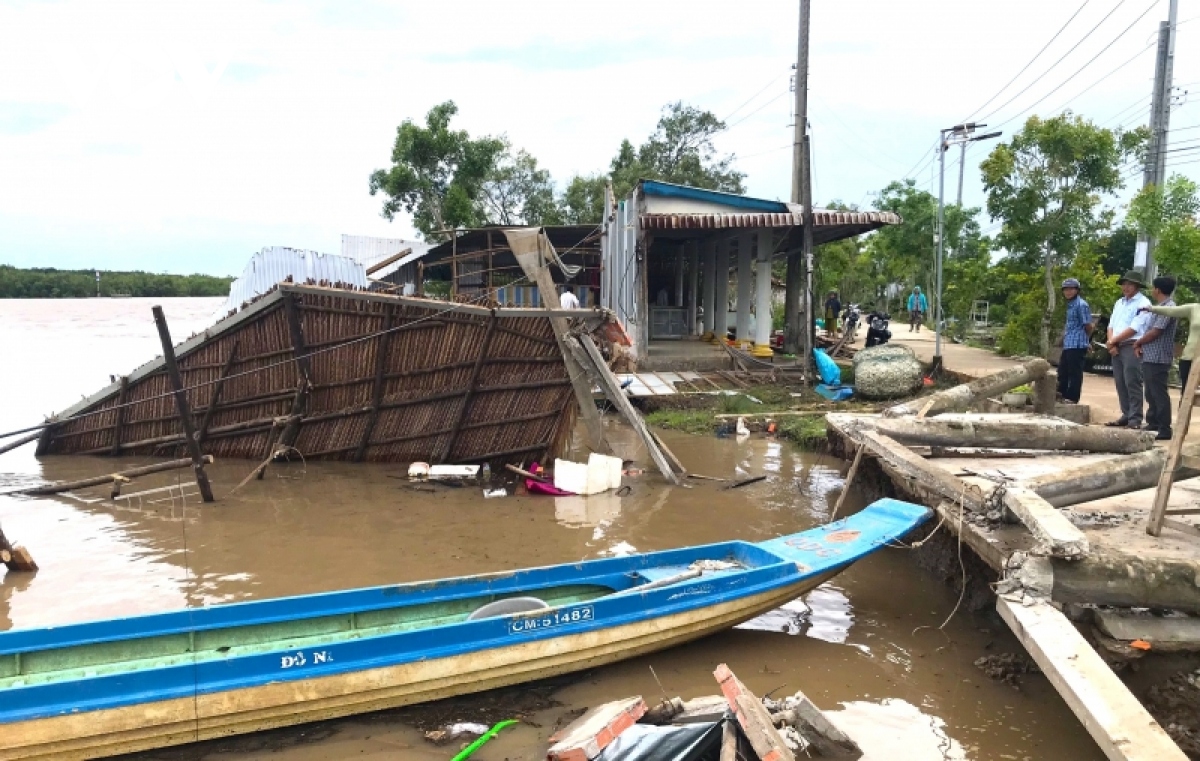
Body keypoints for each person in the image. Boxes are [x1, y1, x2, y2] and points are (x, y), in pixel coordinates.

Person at [1104, 270, 1152, 429]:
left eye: (1129, 284)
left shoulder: (1144, 303)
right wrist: (1111, 342)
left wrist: (1113, 341)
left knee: (1132, 381)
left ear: (1137, 286)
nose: (1126, 287)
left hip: (1131, 344)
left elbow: (1135, 327)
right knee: (1120, 381)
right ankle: (1126, 413)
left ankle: (1135, 418)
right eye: (1124, 284)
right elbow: (1111, 324)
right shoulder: (1119, 302)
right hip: (1116, 344)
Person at [1133, 276, 1178, 440]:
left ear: (1157, 289)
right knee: (1150, 392)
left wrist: (1138, 342)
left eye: (1153, 288)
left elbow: (1156, 331)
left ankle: (1165, 428)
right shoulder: (1159, 307)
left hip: (1159, 357)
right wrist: (1141, 346)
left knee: (1159, 393)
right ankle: (1153, 421)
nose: (1152, 291)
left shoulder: (1170, 308)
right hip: (1149, 355)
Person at [1142, 295, 1200, 394]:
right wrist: (1151, 308)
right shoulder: (1195, 308)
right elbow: (1172, 311)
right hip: (1189, 358)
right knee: (1186, 393)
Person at [1057, 278, 1093, 404]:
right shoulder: (1070, 305)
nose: (1068, 292)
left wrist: (1085, 340)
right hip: (1069, 343)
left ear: (1077, 290)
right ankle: (1060, 394)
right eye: (1066, 289)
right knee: (1062, 371)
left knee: (1075, 372)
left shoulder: (1081, 305)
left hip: (1077, 344)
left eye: (1071, 289)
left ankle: (1072, 398)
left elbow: (1088, 325)